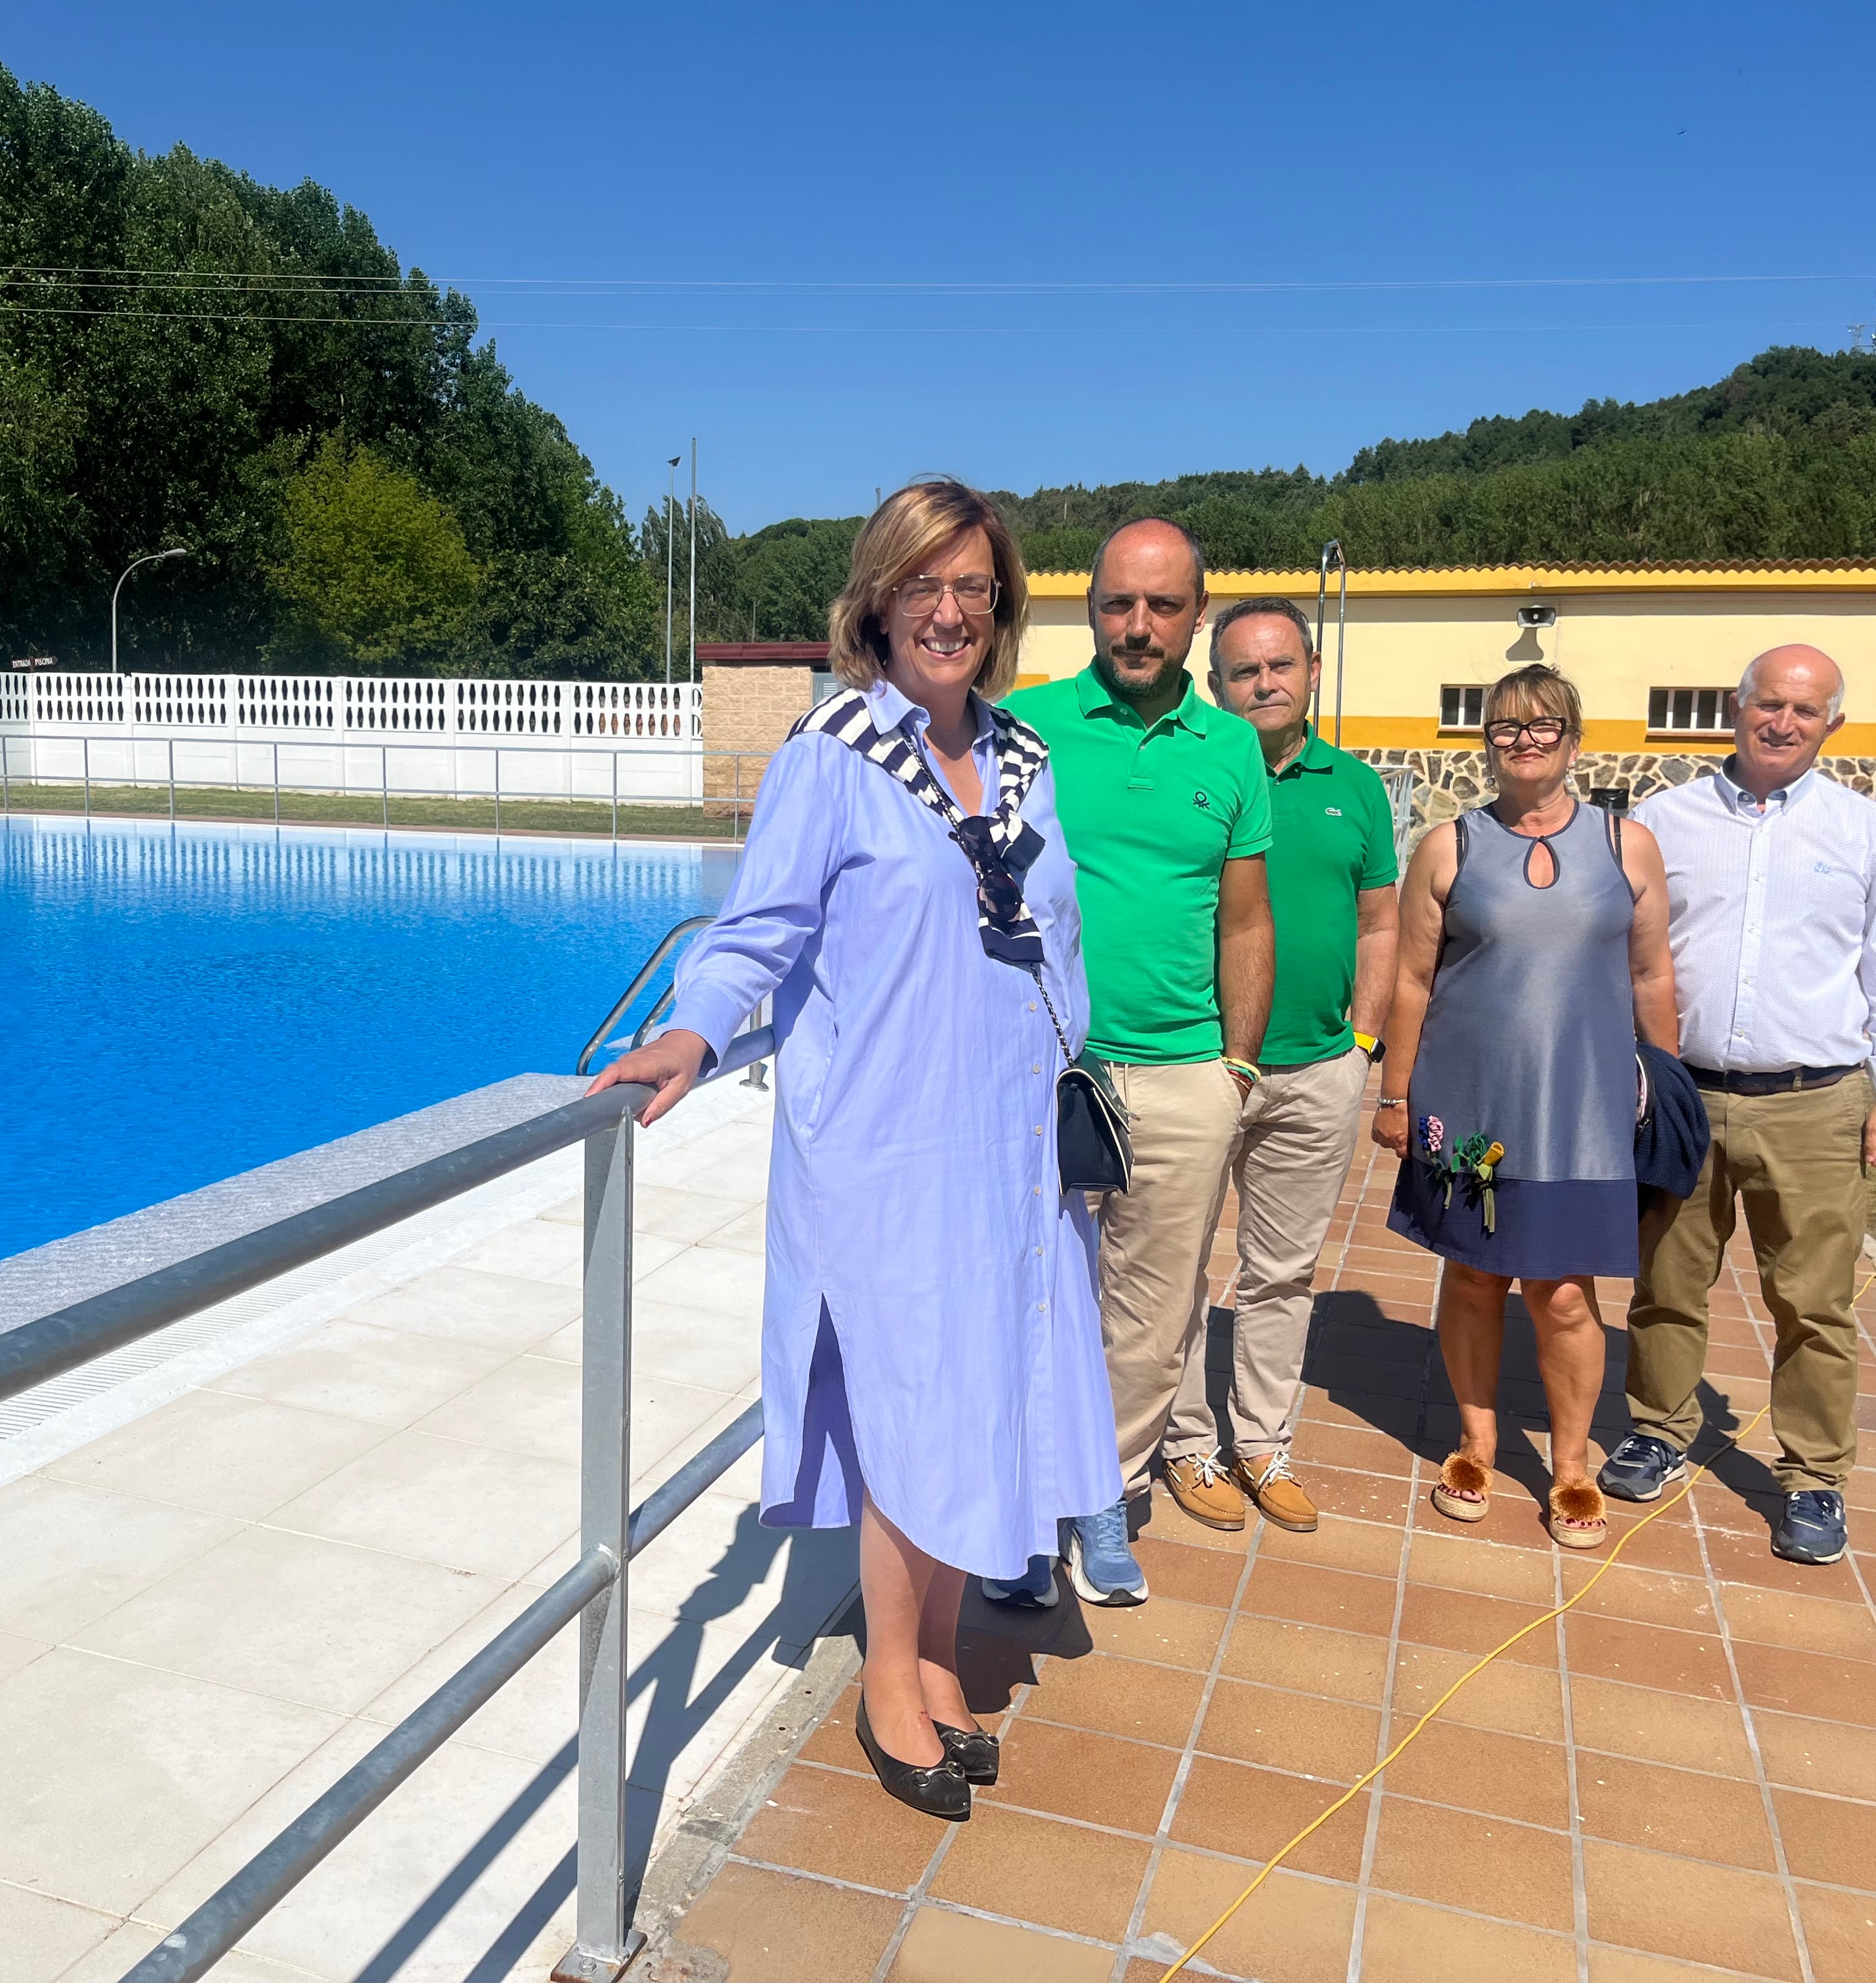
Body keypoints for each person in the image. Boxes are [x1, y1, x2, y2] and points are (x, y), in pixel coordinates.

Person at [588, 479, 1117, 1820]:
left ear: (1000, 611)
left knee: (979, 1396)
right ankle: (891, 1677)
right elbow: (756, 928)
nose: (949, 611)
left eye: (974, 589)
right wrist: (696, 1032)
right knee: (911, 1411)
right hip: (887, 1144)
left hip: (1007, 1144)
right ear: (877, 603)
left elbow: (1053, 940)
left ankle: (938, 1657)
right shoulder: (831, 754)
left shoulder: (1023, 760)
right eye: (922, 586)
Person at [1606, 645, 1876, 1567]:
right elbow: (1629, 959)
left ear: (1834, 724)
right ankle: (1658, 1431)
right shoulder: (1664, 821)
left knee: (1815, 1303)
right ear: (1736, 709)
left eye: (1804, 709)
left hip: (1817, 1103)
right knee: (1666, 1284)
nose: (1782, 723)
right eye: (1767, 705)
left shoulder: (1867, 833)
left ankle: (1815, 1476)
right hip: (1686, 1095)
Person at [1001, 521, 1275, 1605]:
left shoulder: (1230, 748)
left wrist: (1237, 1069)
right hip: (1047, 1071)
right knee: (1027, 1295)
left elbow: (1246, 922)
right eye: (1121, 603)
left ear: (1196, 617)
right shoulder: (1027, 726)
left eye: (1164, 606)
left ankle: (1101, 1497)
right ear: (1091, 612)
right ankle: (1021, 1513)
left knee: (1154, 1315)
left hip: (1181, 1075)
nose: (1140, 626)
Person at [1373, 664, 1679, 1548]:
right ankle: (1476, 1444)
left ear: (1575, 737)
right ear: (1488, 741)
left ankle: (1573, 1467)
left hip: (1583, 1115)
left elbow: (1653, 974)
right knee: (1472, 1274)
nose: (1525, 738)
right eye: (1507, 725)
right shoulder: (1450, 846)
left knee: (1566, 1295)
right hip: (1472, 1116)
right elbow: (1413, 979)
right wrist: (1396, 1094)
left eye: (1544, 723)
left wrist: (1667, 1092)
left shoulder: (1628, 845)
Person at [1179, 597, 1400, 1534]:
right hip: (1199, 1063)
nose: (1264, 683)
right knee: (1172, 1265)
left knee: (1280, 1272)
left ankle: (1262, 1442)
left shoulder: (1357, 785)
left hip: (1317, 1071)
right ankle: (1187, 1443)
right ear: (1215, 685)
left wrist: (1363, 1043)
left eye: (1280, 666)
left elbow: (1384, 919)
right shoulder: (1197, 773)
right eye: (1243, 671)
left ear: (1310, 672)